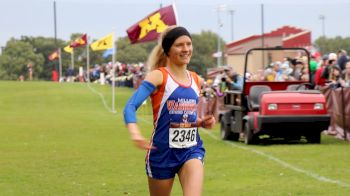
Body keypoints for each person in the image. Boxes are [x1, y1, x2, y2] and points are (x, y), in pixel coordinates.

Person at [123, 26, 215, 196]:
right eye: (179, 45)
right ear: (167, 50)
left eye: (189, 44)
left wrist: (201, 122)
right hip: (162, 152)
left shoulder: (196, 79)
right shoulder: (158, 76)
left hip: (191, 150)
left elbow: (184, 117)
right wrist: (135, 133)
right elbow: (130, 106)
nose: (186, 49)